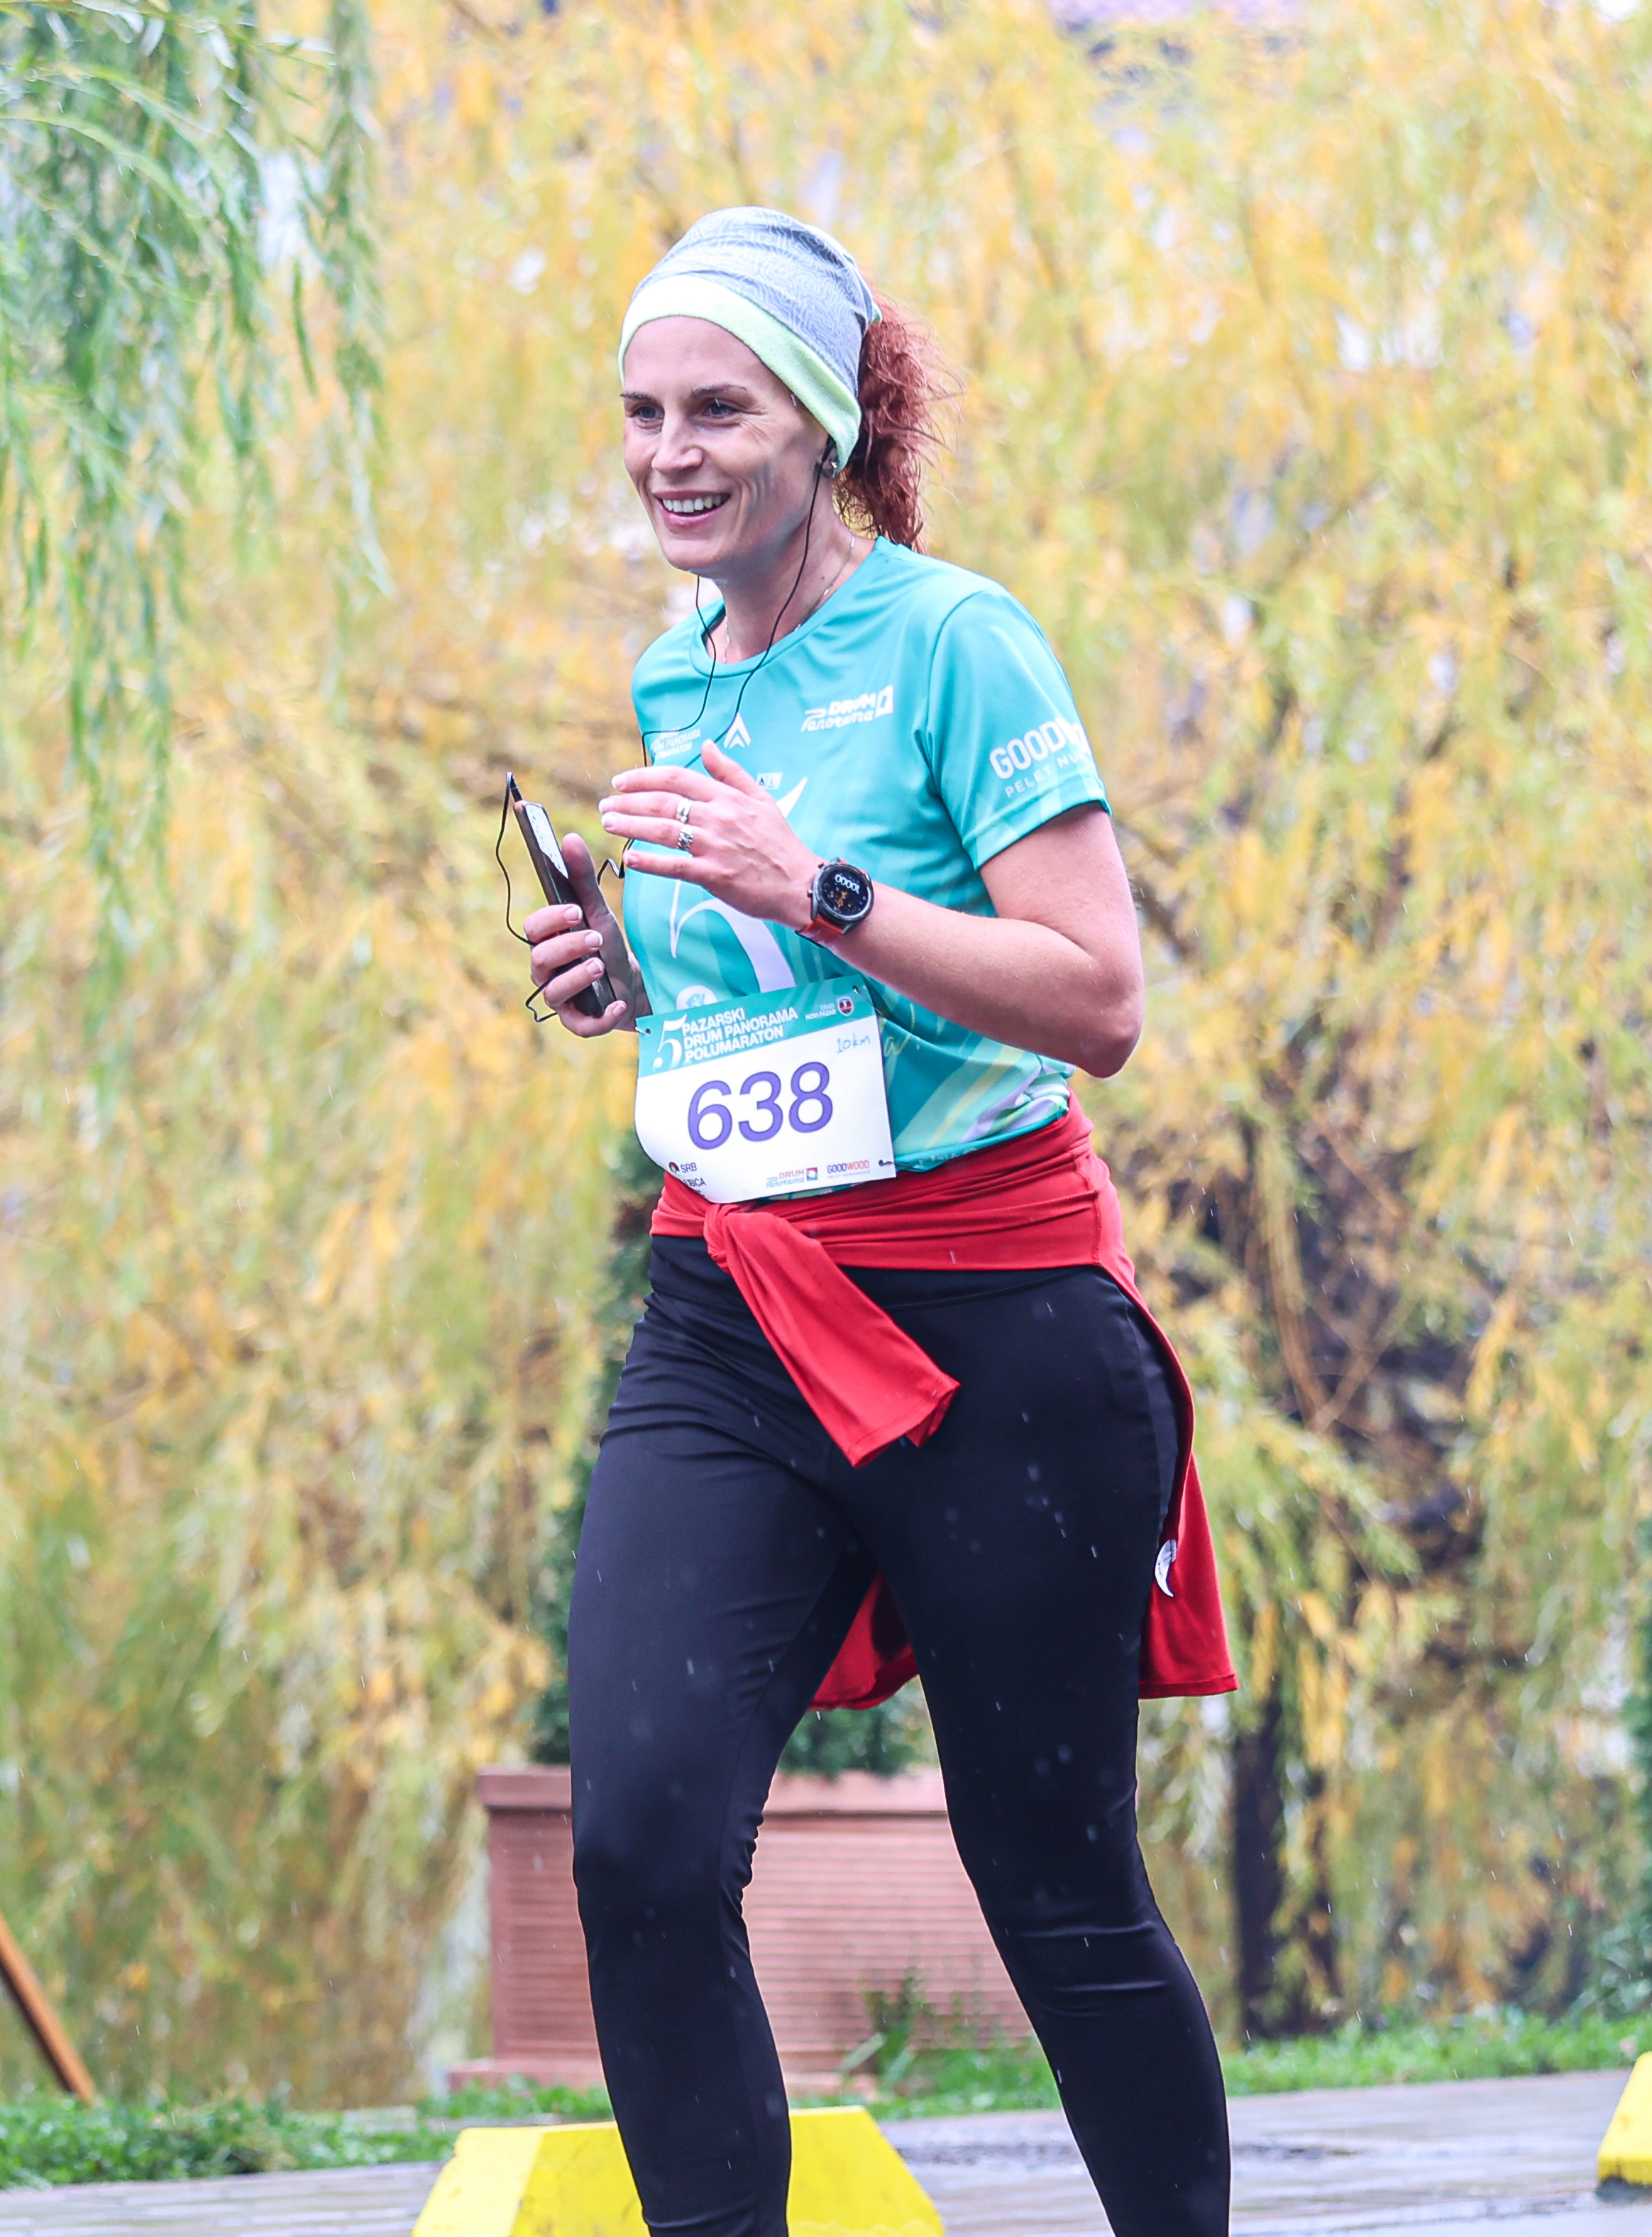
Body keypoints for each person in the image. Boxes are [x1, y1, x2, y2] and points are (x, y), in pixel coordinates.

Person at [522, 206, 1233, 2237]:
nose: (670, 454)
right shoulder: (678, 670)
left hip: (992, 1325)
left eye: (718, 410)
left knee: (1053, 1882)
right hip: (732, 1309)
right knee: (641, 1845)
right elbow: (780, 1005)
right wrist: (630, 977)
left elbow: (1095, 1001)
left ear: (822, 424)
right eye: (643, 414)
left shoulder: (955, 641)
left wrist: (809, 886)